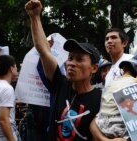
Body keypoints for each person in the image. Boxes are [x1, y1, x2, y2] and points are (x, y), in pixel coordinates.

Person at [25, 1, 102, 141]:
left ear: (94, 68)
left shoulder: (101, 100)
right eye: (70, 58)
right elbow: (44, 51)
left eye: (79, 59)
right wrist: (35, 17)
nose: (71, 63)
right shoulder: (60, 85)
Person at [90, 57, 137, 140]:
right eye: (124, 71)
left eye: (129, 71)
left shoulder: (114, 85)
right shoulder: (111, 86)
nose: (124, 75)